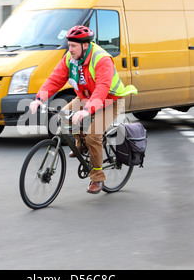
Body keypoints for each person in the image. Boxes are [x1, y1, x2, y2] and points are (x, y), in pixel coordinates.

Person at [29, 25, 137, 194]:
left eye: (73, 46)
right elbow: (54, 79)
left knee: (93, 135)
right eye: (69, 45)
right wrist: (39, 99)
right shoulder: (70, 59)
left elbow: (102, 88)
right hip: (86, 98)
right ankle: (81, 146)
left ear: (85, 45)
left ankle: (97, 178)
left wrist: (87, 110)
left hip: (111, 99)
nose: (69, 49)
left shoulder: (102, 59)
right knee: (62, 117)